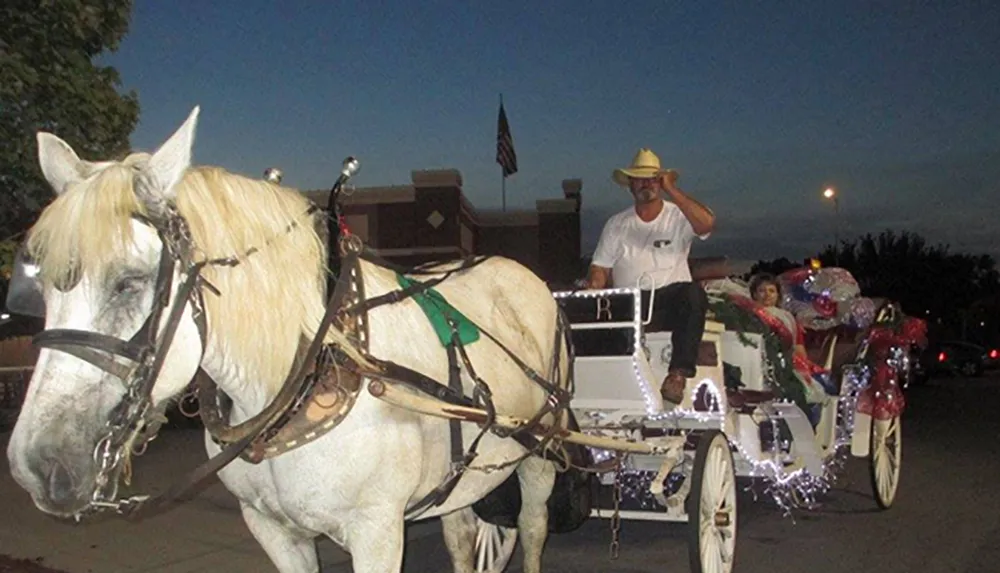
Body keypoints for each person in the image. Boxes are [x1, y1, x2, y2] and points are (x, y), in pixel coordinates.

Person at [586, 148, 716, 405]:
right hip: (630, 301)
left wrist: (673, 190)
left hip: (670, 298)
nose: (647, 184)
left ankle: (677, 375)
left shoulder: (678, 215)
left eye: (653, 178)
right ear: (630, 185)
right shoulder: (616, 224)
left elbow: (707, 224)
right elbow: (600, 267)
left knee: (693, 293)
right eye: (640, 178)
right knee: (589, 305)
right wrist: (593, 286)